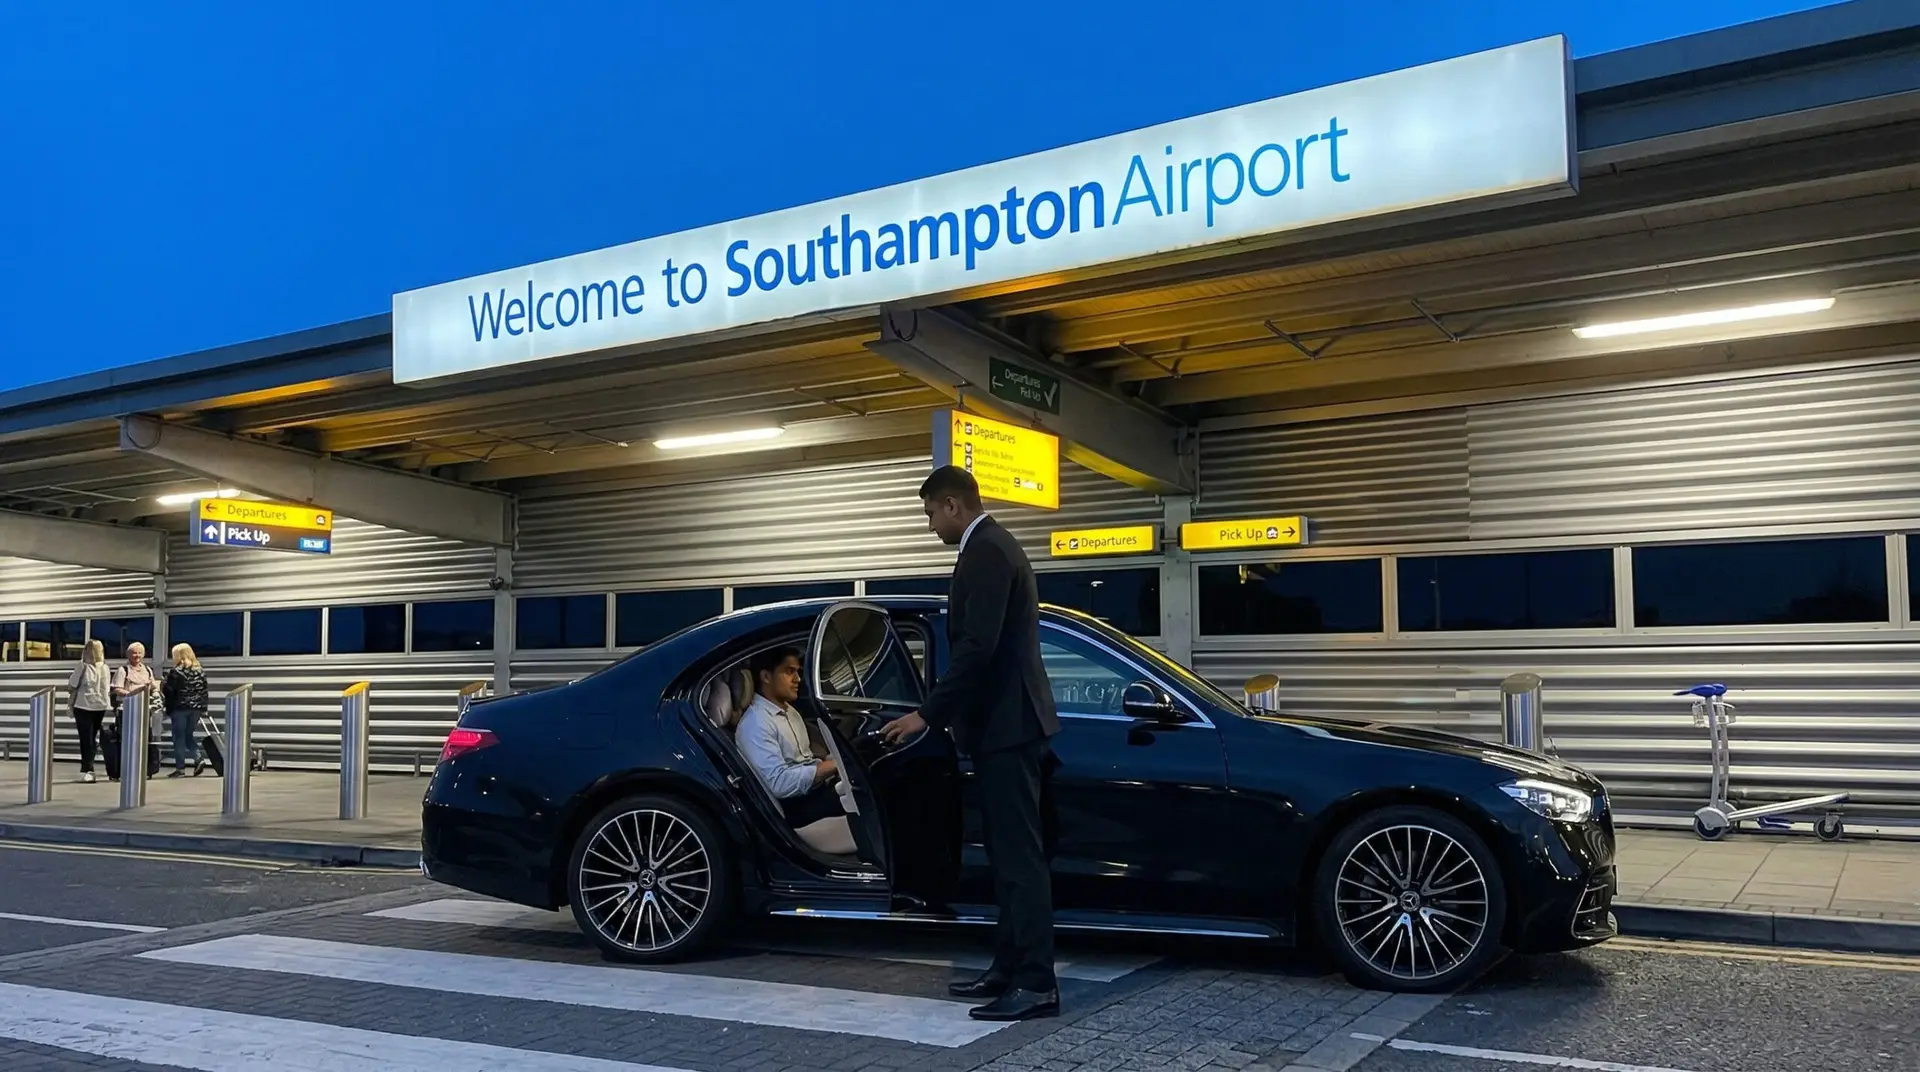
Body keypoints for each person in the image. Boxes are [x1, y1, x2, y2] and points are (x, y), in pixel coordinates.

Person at [881, 464, 1061, 1022]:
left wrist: (926, 715)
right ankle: (1007, 969)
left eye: (931, 513)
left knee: (1019, 860)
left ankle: (1036, 984)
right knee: (1010, 859)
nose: (931, 525)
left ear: (953, 504)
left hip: (1006, 728)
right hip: (1006, 726)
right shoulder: (993, 546)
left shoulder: (985, 550)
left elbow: (977, 648)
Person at [735, 647, 844, 829]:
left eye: (798, 672)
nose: (797, 679)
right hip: (800, 806)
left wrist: (831, 764)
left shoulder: (790, 712)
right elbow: (779, 784)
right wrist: (835, 765)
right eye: (789, 671)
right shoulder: (755, 724)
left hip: (817, 791)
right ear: (766, 677)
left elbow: (805, 759)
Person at [65, 639, 113, 784]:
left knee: (86, 739)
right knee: (91, 737)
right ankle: (89, 766)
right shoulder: (105, 667)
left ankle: (88, 770)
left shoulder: (82, 666)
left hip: (83, 705)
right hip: (101, 706)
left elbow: (72, 685)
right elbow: (107, 689)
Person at [160, 643, 209, 778]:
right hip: (196, 709)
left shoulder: (175, 672)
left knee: (178, 738)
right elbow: (204, 691)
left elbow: (169, 692)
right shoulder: (200, 671)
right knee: (188, 735)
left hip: (180, 708)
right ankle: (198, 758)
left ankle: (180, 768)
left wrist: (162, 684)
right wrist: (203, 707)